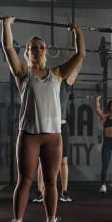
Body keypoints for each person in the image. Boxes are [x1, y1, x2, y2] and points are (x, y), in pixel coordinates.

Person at [2, 16, 85, 222]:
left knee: (50, 182)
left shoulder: (57, 74)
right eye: (32, 48)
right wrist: (6, 25)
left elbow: (80, 55)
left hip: (53, 137)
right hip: (29, 135)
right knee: (25, 180)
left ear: (46, 52)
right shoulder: (22, 73)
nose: (37, 50)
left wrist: (77, 32)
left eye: (40, 48)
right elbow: (8, 47)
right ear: (27, 53)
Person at [31, 62, 82, 204]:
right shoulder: (45, 85)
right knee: (42, 162)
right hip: (46, 127)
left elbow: (76, 67)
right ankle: (40, 193)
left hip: (62, 128)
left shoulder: (66, 85)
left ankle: (64, 192)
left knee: (63, 162)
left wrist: (79, 54)